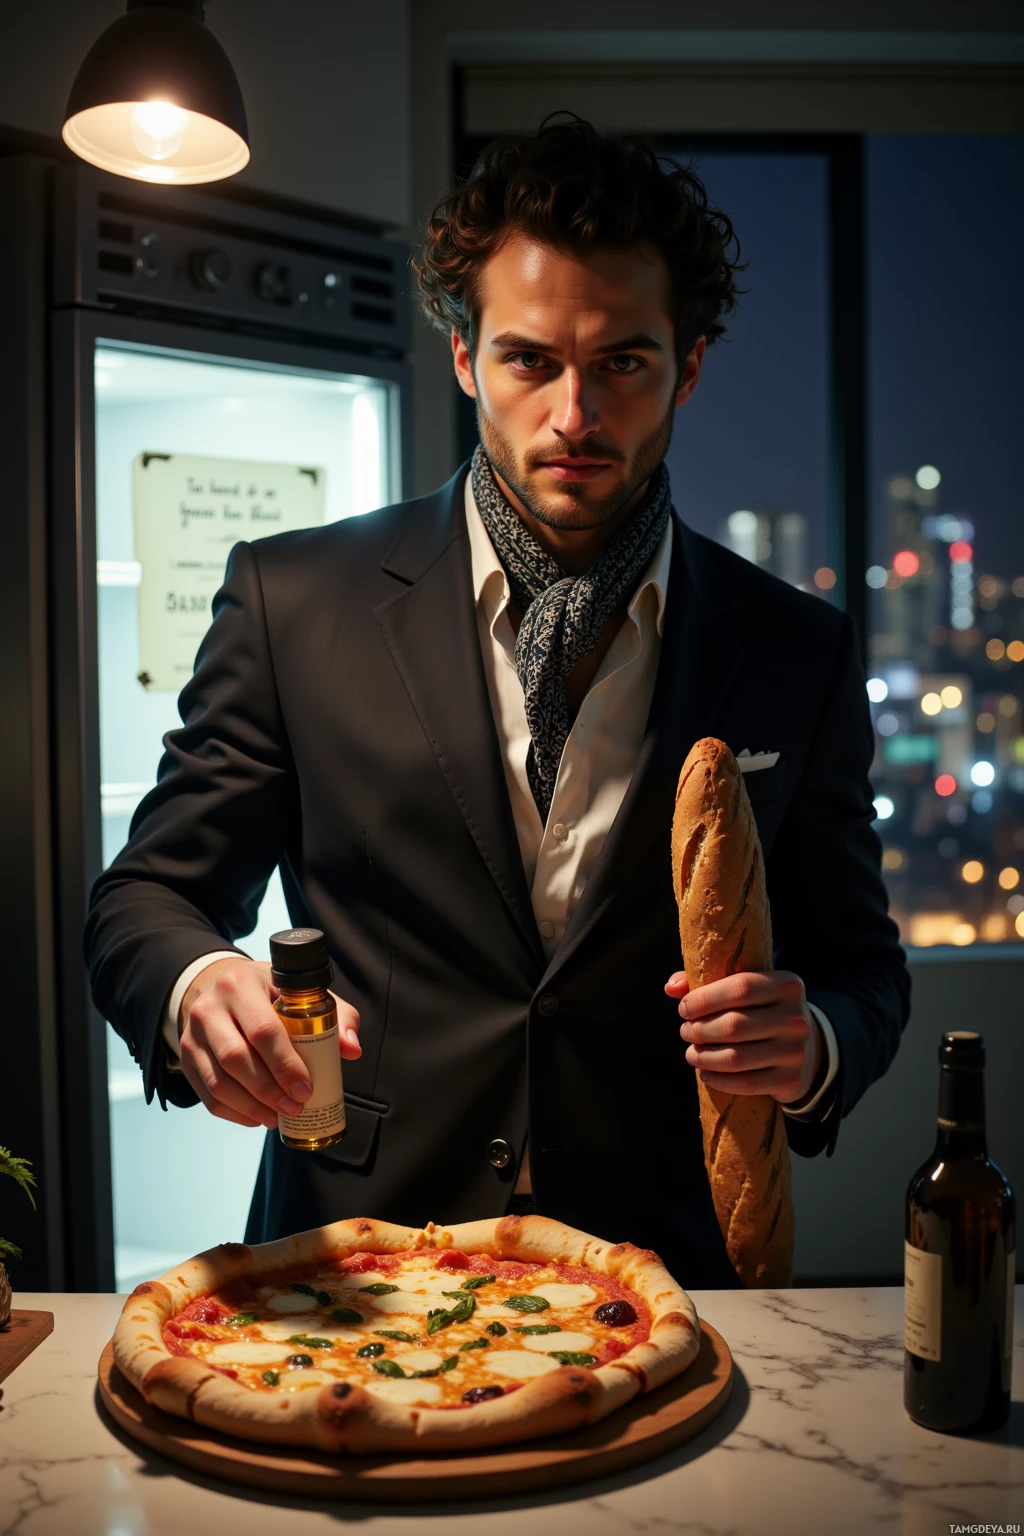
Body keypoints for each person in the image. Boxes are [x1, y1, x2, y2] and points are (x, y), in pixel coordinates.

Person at [85, 113, 909, 1289]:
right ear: (468, 358)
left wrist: (811, 1042)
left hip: (660, 1260)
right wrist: (196, 982)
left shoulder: (795, 647)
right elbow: (145, 898)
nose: (574, 415)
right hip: (356, 1255)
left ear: (689, 364)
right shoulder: (293, 597)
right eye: (531, 360)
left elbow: (864, 970)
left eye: (622, 361)